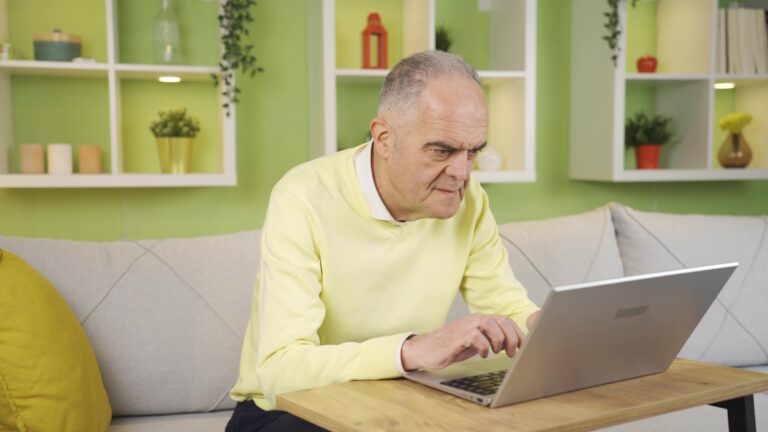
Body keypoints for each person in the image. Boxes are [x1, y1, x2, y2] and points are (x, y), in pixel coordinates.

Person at [226, 50, 540, 432]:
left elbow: (504, 303)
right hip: (290, 410)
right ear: (385, 138)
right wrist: (411, 350)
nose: (461, 172)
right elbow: (281, 370)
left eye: (473, 151)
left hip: (400, 398)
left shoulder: (468, 200)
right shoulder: (303, 196)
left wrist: (558, 330)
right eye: (442, 150)